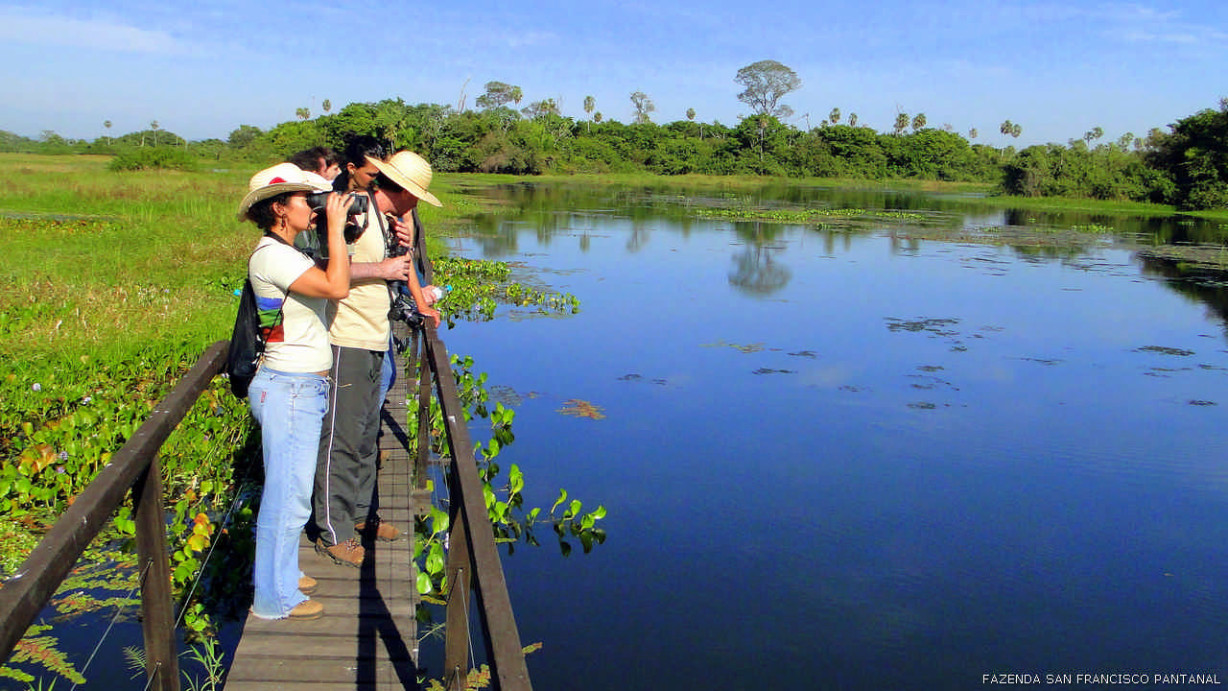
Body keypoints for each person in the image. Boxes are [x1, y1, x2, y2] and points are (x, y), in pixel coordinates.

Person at [238, 162, 351, 620]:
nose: (315, 206)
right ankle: (273, 598)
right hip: (288, 389)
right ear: (280, 209)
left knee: (293, 493)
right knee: (286, 496)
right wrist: (338, 229)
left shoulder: (291, 251)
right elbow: (337, 285)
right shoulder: (272, 255)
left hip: (299, 387)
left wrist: (335, 231)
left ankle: (282, 575)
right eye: (307, 200)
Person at [312, 139, 423, 566]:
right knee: (340, 438)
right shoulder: (354, 213)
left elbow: (396, 270)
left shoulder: (383, 217)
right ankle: (333, 530)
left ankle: (360, 516)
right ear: (406, 189)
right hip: (347, 339)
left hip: (376, 337)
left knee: (364, 438)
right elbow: (325, 269)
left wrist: (403, 247)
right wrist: (382, 268)